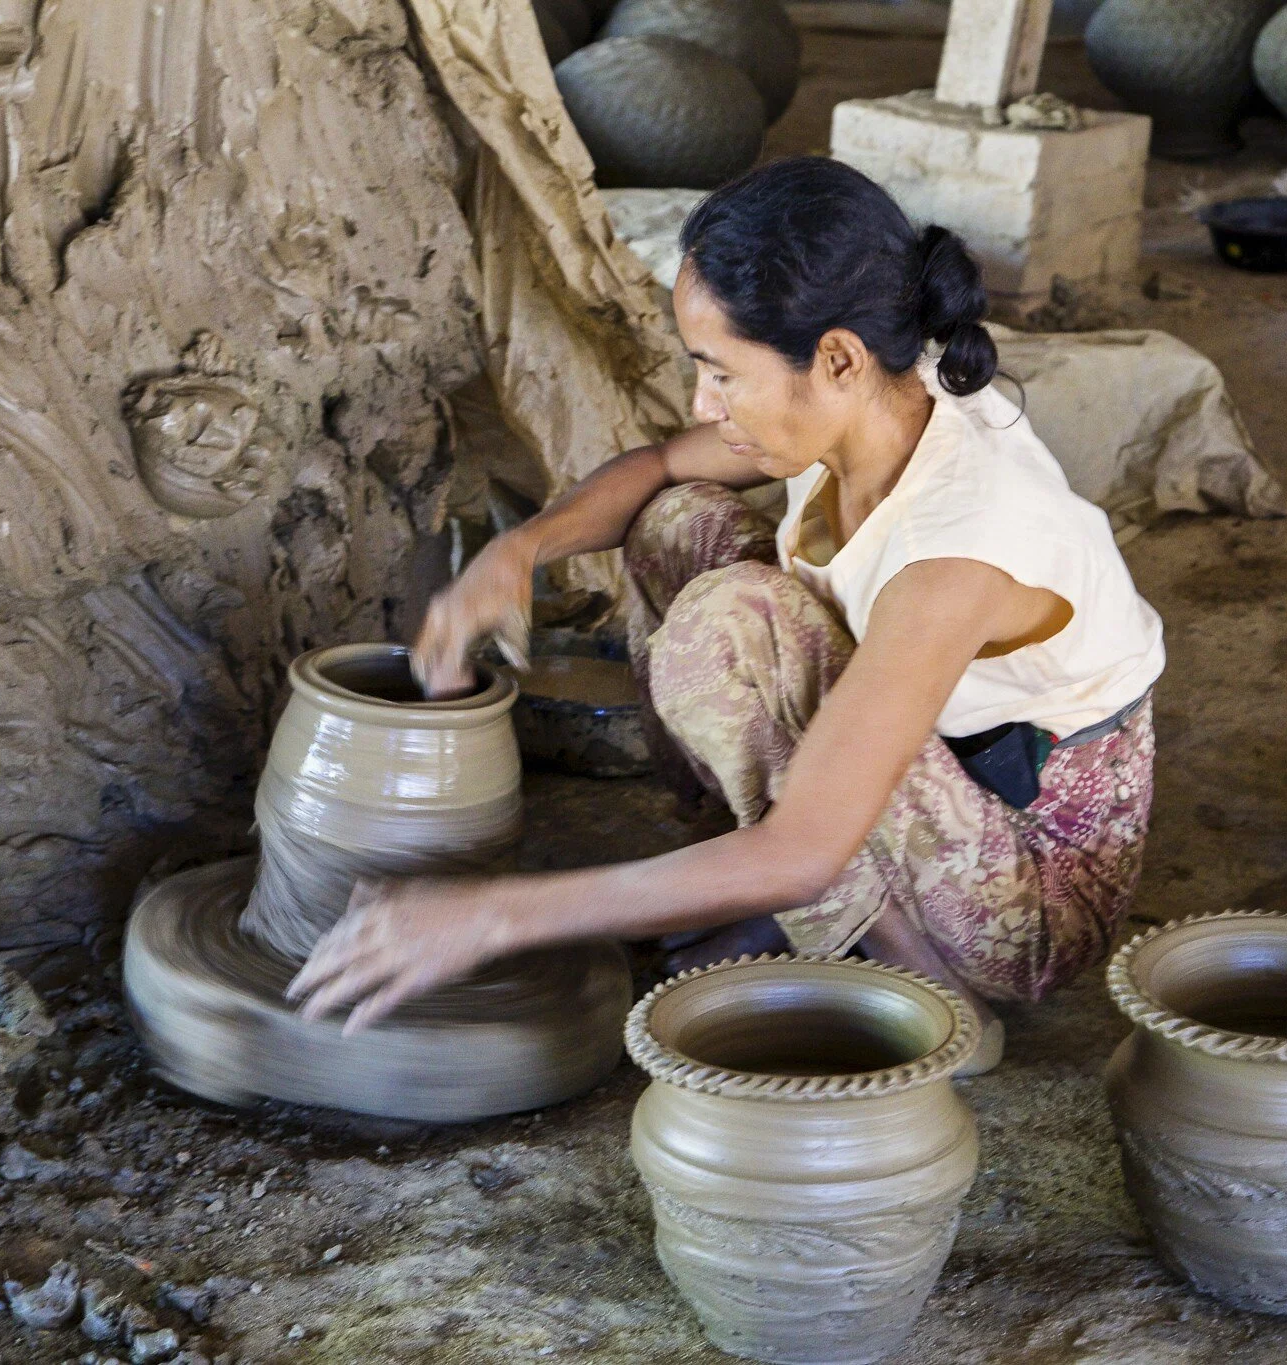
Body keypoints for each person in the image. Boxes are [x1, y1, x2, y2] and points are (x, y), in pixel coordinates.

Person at [286, 156, 1163, 1073]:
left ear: (836, 358)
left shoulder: (961, 547)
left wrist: (493, 913)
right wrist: (517, 552)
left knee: (731, 626)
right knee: (679, 524)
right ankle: (773, 893)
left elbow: (805, 850)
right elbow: (660, 467)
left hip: (1023, 892)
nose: (706, 402)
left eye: (721, 373)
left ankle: (933, 992)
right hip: (914, 780)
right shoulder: (875, 398)